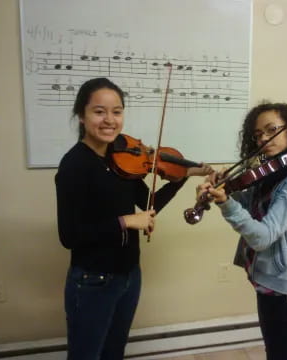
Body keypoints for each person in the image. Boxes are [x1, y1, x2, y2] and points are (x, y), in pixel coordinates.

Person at [55, 77, 213, 360]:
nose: (109, 120)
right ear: (82, 115)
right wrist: (125, 221)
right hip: (93, 279)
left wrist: (181, 176)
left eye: (117, 111)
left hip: (129, 275)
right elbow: (70, 235)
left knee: (114, 353)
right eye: (99, 111)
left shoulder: (120, 157)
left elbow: (149, 204)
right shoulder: (74, 165)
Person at [197, 102, 287, 360]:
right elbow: (252, 204)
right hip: (268, 276)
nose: (264, 139)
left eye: (272, 130)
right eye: (258, 135)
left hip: (283, 282)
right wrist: (226, 189)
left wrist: (225, 203)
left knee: (279, 352)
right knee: (274, 346)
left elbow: (263, 236)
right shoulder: (271, 171)